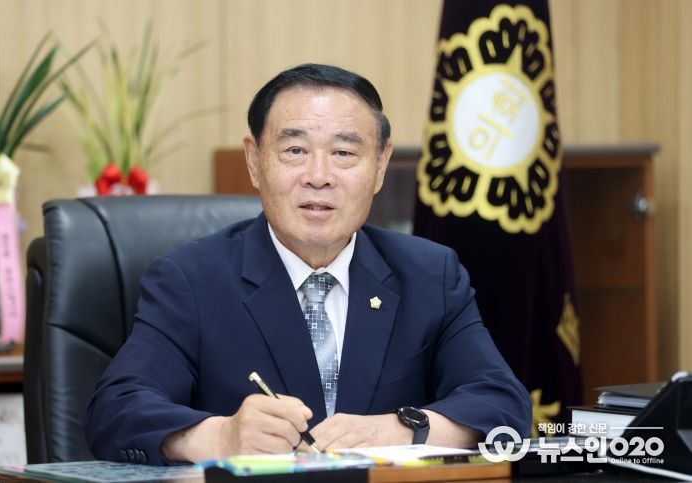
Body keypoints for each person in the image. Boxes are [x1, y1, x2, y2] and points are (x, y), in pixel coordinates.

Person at [84, 63, 531, 465]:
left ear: (380, 165)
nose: (319, 176)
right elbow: (116, 410)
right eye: (295, 151)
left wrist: (403, 429)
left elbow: (502, 405)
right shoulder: (191, 280)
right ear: (254, 160)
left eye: (344, 153)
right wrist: (219, 437)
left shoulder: (430, 275)